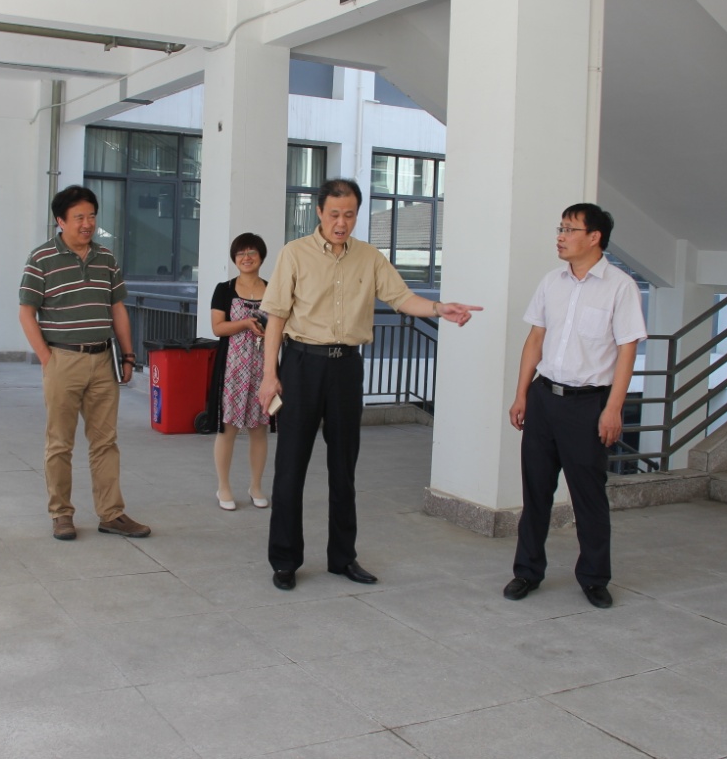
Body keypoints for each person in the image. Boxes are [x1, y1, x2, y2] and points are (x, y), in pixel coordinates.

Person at [258, 178, 482, 591]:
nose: (341, 223)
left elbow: (401, 298)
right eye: (334, 214)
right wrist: (270, 375)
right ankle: (285, 559)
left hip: (346, 368)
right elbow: (276, 316)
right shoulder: (294, 253)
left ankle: (343, 557)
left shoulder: (370, 257)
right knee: (290, 467)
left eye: (349, 215)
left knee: (344, 469)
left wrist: (439, 308)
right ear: (319, 213)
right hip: (301, 365)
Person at [504, 203, 646, 609]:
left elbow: (627, 351)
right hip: (544, 399)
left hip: (588, 406)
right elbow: (535, 340)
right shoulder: (552, 282)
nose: (560, 236)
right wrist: (521, 394)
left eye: (569, 229)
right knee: (535, 492)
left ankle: (595, 578)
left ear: (594, 237)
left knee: (588, 496)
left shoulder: (620, 287)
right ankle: (526, 571)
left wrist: (613, 408)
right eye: (560, 228)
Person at [19, 185, 151, 541]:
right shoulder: (41, 258)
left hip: (102, 359)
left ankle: (112, 514)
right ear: (60, 221)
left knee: (105, 442)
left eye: (91, 216)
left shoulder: (105, 258)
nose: (87, 223)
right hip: (62, 358)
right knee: (60, 443)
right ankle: (61, 514)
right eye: (79, 217)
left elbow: (117, 308)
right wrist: (47, 359)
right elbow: (26, 312)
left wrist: (128, 355)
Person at [206, 232, 272, 511]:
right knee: (228, 428)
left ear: (261, 257)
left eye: (252, 252)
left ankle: (256, 486)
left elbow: (283, 325)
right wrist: (245, 324)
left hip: (263, 369)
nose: (246, 257)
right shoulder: (224, 289)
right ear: (234, 258)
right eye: (241, 253)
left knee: (259, 429)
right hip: (232, 369)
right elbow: (217, 328)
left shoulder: (273, 289)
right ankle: (223, 487)